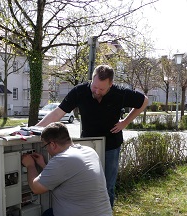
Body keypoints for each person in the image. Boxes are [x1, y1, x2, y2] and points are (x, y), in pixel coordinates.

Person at [37, 64, 148, 207]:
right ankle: (88, 215)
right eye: (94, 86)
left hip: (111, 146)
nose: (96, 91)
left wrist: (125, 122)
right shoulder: (80, 91)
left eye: (101, 89)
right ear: (92, 79)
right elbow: (58, 113)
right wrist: (35, 129)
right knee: (85, 183)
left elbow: (144, 101)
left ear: (110, 85)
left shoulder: (120, 93)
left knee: (108, 185)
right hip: (87, 146)